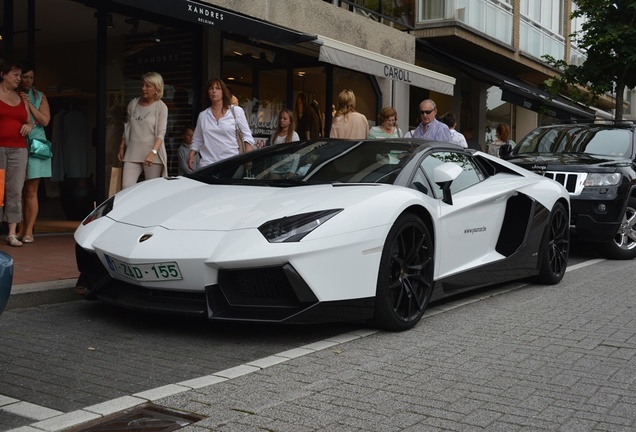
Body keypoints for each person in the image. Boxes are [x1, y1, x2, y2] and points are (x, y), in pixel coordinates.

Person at [15, 63, 52, 244]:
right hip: (17, 142)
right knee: (17, 190)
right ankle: (19, 229)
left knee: (31, 190)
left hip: (37, 144)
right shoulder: (12, 94)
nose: (28, 81)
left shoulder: (39, 96)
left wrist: (30, 106)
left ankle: (29, 230)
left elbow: (45, 121)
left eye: (31, 78)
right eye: (25, 77)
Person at [0, 60, 33, 247]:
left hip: (19, 149)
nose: (19, 79)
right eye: (15, 75)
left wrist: (28, 126)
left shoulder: (21, 97)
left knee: (14, 189)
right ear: (3, 75)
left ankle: (12, 233)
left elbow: (29, 121)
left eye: (20, 75)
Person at [188, 78, 254, 169]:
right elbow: (197, 140)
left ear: (223, 92)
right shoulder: (203, 115)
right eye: (211, 88)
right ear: (208, 93)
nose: (214, 91)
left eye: (218, 88)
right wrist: (191, 154)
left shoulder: (236, 111)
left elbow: (247, 136)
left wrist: (247, 158)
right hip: (207, 164)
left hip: (231, 163)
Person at [118, 71, 168, 189]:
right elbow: (127, 127)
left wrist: (153, 152)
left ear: (157, 88)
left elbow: (161, 133)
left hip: (152, 156)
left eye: (148, 86)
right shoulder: (133, 103)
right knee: (126, 188)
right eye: (143, 85)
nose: (143, 88)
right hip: (132, 153)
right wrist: (121, 147)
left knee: (150, 191)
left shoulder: (161, 107)